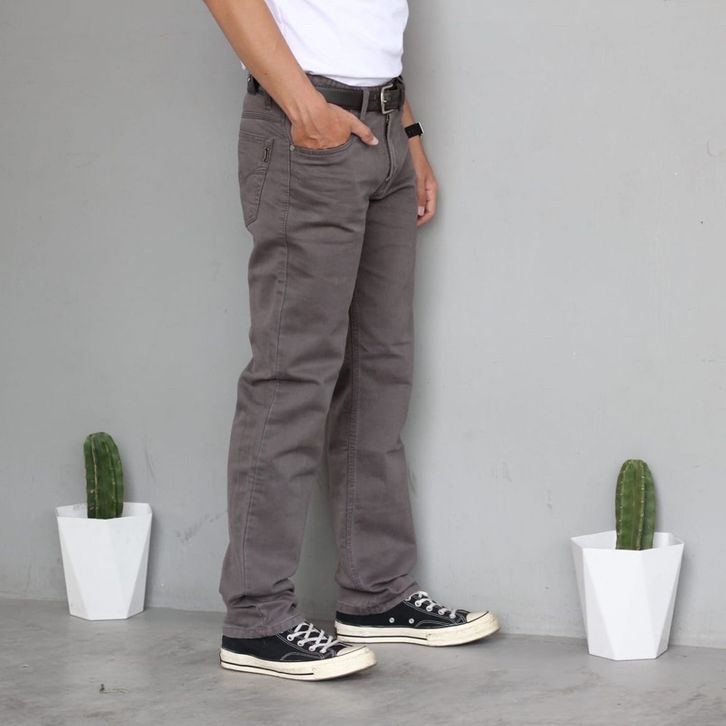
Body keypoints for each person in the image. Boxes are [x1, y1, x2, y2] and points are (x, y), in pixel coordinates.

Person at [203, 0, 500, 681]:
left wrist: (409, 134)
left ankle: (377, 594)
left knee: (378, 371)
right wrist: (304, 107)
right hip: (310, 130)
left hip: (383, 130)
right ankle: (256, 619)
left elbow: (368, 25)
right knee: (292, 375)